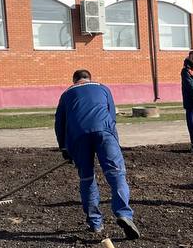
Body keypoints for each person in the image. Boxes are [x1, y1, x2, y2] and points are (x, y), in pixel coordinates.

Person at [54, 69, 141, 239]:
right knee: (116, 174)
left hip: (78, 136)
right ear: (88, 79)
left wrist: (64, 148)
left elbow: (59, 123)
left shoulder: (66, 94)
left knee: (87, 178)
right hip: (104, 132)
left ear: (75, 81)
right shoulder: (103, 88)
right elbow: (111, 115)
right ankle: (124, 214)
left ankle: (95, 222)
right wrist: (114, 140)